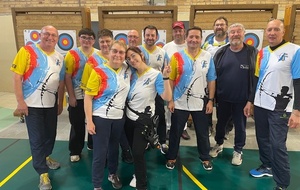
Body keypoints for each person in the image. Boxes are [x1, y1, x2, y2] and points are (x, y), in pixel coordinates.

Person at [247, 19, 300, 190]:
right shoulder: (261, 52)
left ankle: (282, 183)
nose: (272, 33)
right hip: (261, 104)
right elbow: (256, 79)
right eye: (269, 29)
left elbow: (298, 82)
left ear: (283, 32)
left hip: (281, 108)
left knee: (277, 144)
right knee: (262, 138)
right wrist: (250, 101)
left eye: (276, 29)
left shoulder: (295, 51)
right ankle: (267, 166)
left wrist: (297, 111)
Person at [10, 25, 65, 190]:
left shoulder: (59, 57)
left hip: (50, 105)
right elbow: (16, 77)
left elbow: (60, 82)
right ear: (40, 35)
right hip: (31, 106)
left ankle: (46, 157)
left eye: (53, 35)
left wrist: (60, 102)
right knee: (37, 139)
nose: (50, 37)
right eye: (46, 34)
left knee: (50, 135)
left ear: (57, 38)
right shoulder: (26, 52)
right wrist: (20, 102)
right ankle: (43, 174)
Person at [165, 26, 216, 171]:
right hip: (179, 101)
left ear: (201, 39)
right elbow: (171, 79)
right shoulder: (177, 57)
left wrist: (211, 100)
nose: (194, 40)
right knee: (175, 131)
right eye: (191, 37)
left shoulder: (207, 56)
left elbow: (211, 79)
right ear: (186, 38)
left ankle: (205, 157)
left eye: (197, 37)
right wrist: (170, 100)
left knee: (202, 132)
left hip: (200, 102)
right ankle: (171, 157)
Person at [83, 40, 131, 190]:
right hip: (101, 118)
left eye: (121, 52)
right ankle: (97, 185)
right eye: (114, 51)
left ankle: (112, 173)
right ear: (109, 53)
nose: (117, 55)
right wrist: (89, 120)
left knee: (114, 148)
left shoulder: (127, 70)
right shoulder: (98, 71)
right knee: (100, 152)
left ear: (125, 55)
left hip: (118, 118)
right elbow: (88, 97)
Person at [209, 23, 258, 166]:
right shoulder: (221, 52)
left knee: (240, 126)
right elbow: (214, 75)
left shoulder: (252, 53)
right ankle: (219, 144)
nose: (235, 34)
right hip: (223, 98)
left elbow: (256, 77)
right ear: (228, 35)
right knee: (220, 124)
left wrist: (251, 100)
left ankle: (238, 150)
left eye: (238, 32)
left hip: (242, 100)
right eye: (232, 32)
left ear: (244, 34)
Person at [124, 46, 172, 190]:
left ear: (142, 55)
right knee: (133, 150)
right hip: (127, 118)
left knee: (138, 153)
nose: (132, 60)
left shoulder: (155, 75)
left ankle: (141, 183)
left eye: (134, 56)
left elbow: (167, 97)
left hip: (143, 120)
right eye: (129, 58)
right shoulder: (129, 73)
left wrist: (165, 77)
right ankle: (137, 173)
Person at [64, 28, 97, 162]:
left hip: (93, 94)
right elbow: (67, 76)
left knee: (93, 121)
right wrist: (71, 96)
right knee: (77, 123)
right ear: (79, 38)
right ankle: (75, 150)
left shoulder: (98, 54)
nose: (86, 40)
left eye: (89, 38)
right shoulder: (71, 54)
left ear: (94, 41)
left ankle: (92, 144)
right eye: (84, 37)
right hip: (77, 93)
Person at [138, 25, 170, 153]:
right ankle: (144, 141)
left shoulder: (162, 53)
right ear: (144, 36)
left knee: (160, 115)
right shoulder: (138, 51)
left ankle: (162, 141)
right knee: (143, 117)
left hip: (157, 90)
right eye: (147, 35)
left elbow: (165, 71)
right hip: (141, 91)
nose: (150, 37)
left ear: (157, 37)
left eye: (152, 35)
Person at [202, 16, 233, 137]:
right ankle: (208, 126)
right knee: (207, 104)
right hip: (209, 80)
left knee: (224, 107)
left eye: (222, 24)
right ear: (213, 28)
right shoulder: (206, 44)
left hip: (225, 81)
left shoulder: (232, 43)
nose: (219, 27)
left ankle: (224, 128)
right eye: (217, 25)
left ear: (226, 27)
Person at [163, 21, 191, 140]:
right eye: (175, 31)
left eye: (180, 30)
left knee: (184, 105)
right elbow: (163, 65)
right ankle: (169, 128)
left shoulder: (188, 45)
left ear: (184, 32)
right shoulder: (167, 47)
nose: (178, 33)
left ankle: (183, 128)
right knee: (170, 104)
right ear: (173, 32)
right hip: (170, 81)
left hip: (185, 81)